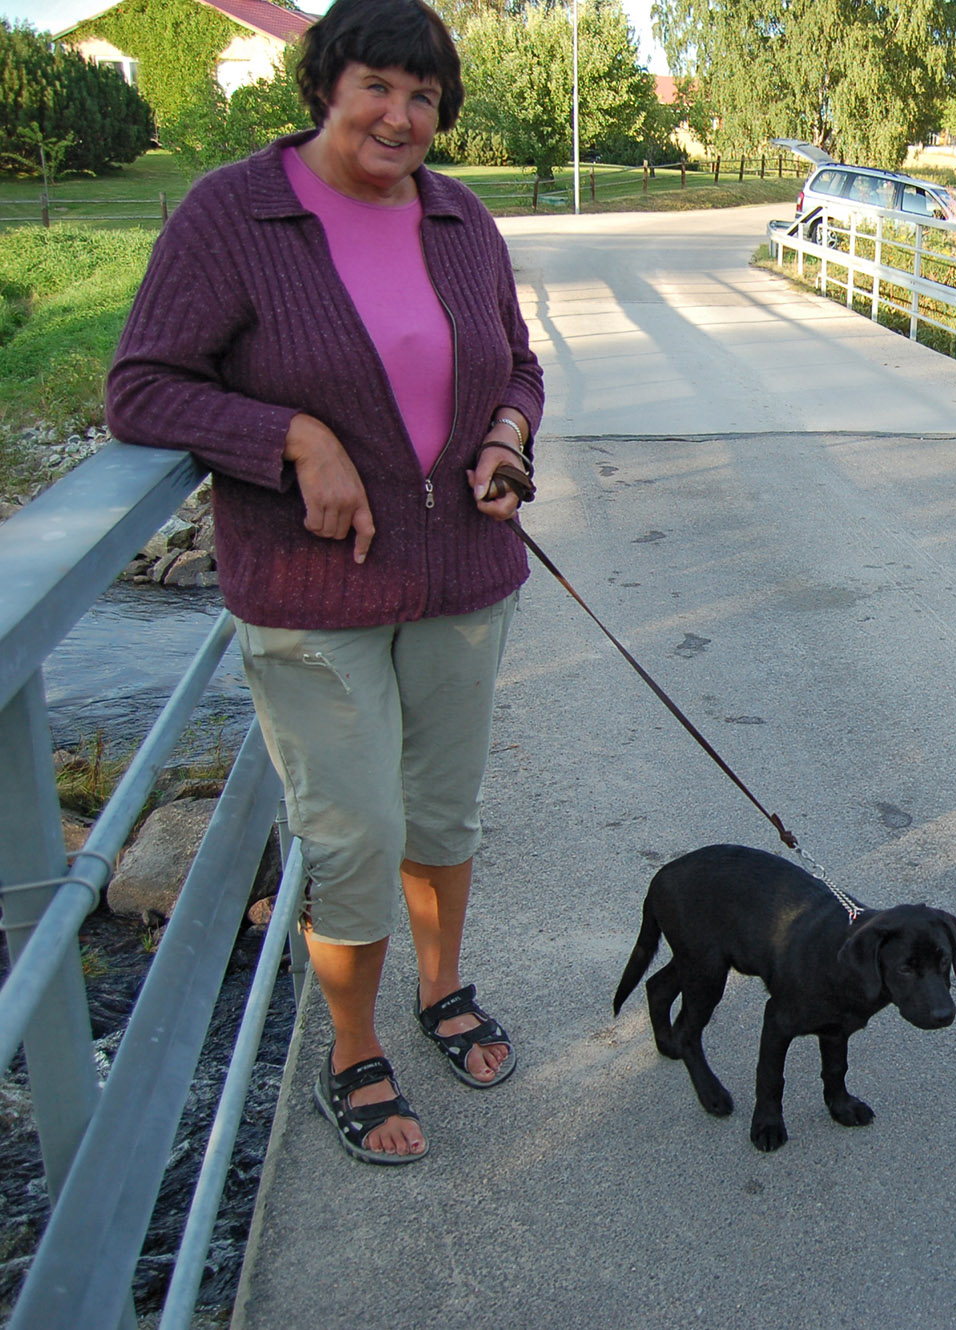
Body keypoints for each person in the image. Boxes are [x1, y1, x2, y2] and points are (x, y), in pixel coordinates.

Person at [106, 0, 542, 1166]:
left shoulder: (457, 217)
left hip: (462, 575)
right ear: (323, 88)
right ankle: (350, 1050)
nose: (400, 116)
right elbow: (143, 388)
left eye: (424, 97)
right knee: (354, 836)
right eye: (377, 88)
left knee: (442, 815)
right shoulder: (232, 214)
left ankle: (441, 988)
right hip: (313, 591)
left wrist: (505, 437)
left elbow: (519, 365)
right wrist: (293, 435)